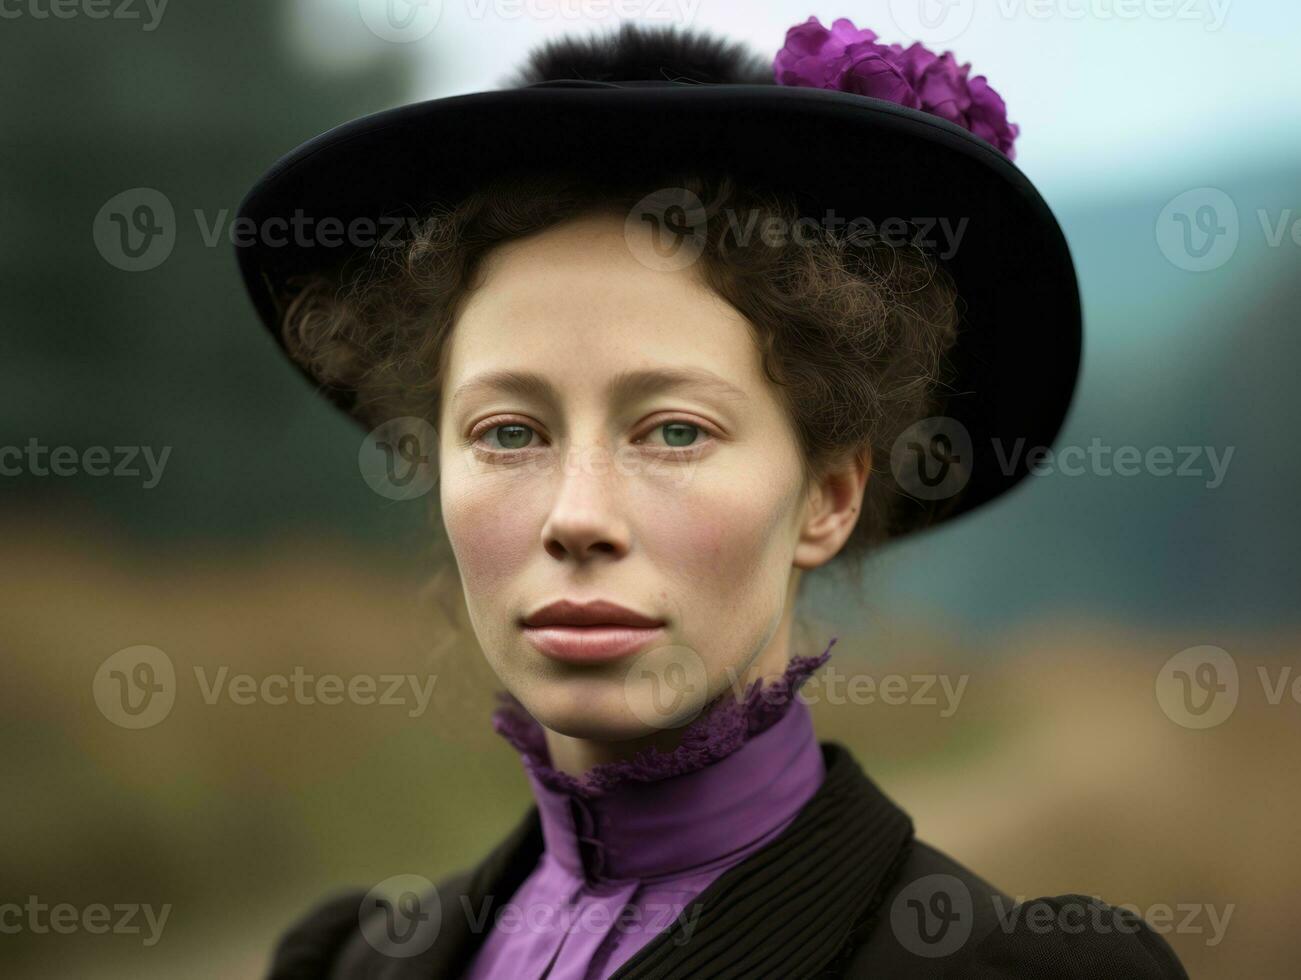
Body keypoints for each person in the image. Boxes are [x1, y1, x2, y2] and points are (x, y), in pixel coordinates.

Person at [240, 16, 1189, 979]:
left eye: (675, 432)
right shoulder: (351, 963)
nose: (577, 517)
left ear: (827, 496)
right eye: (509, 434)